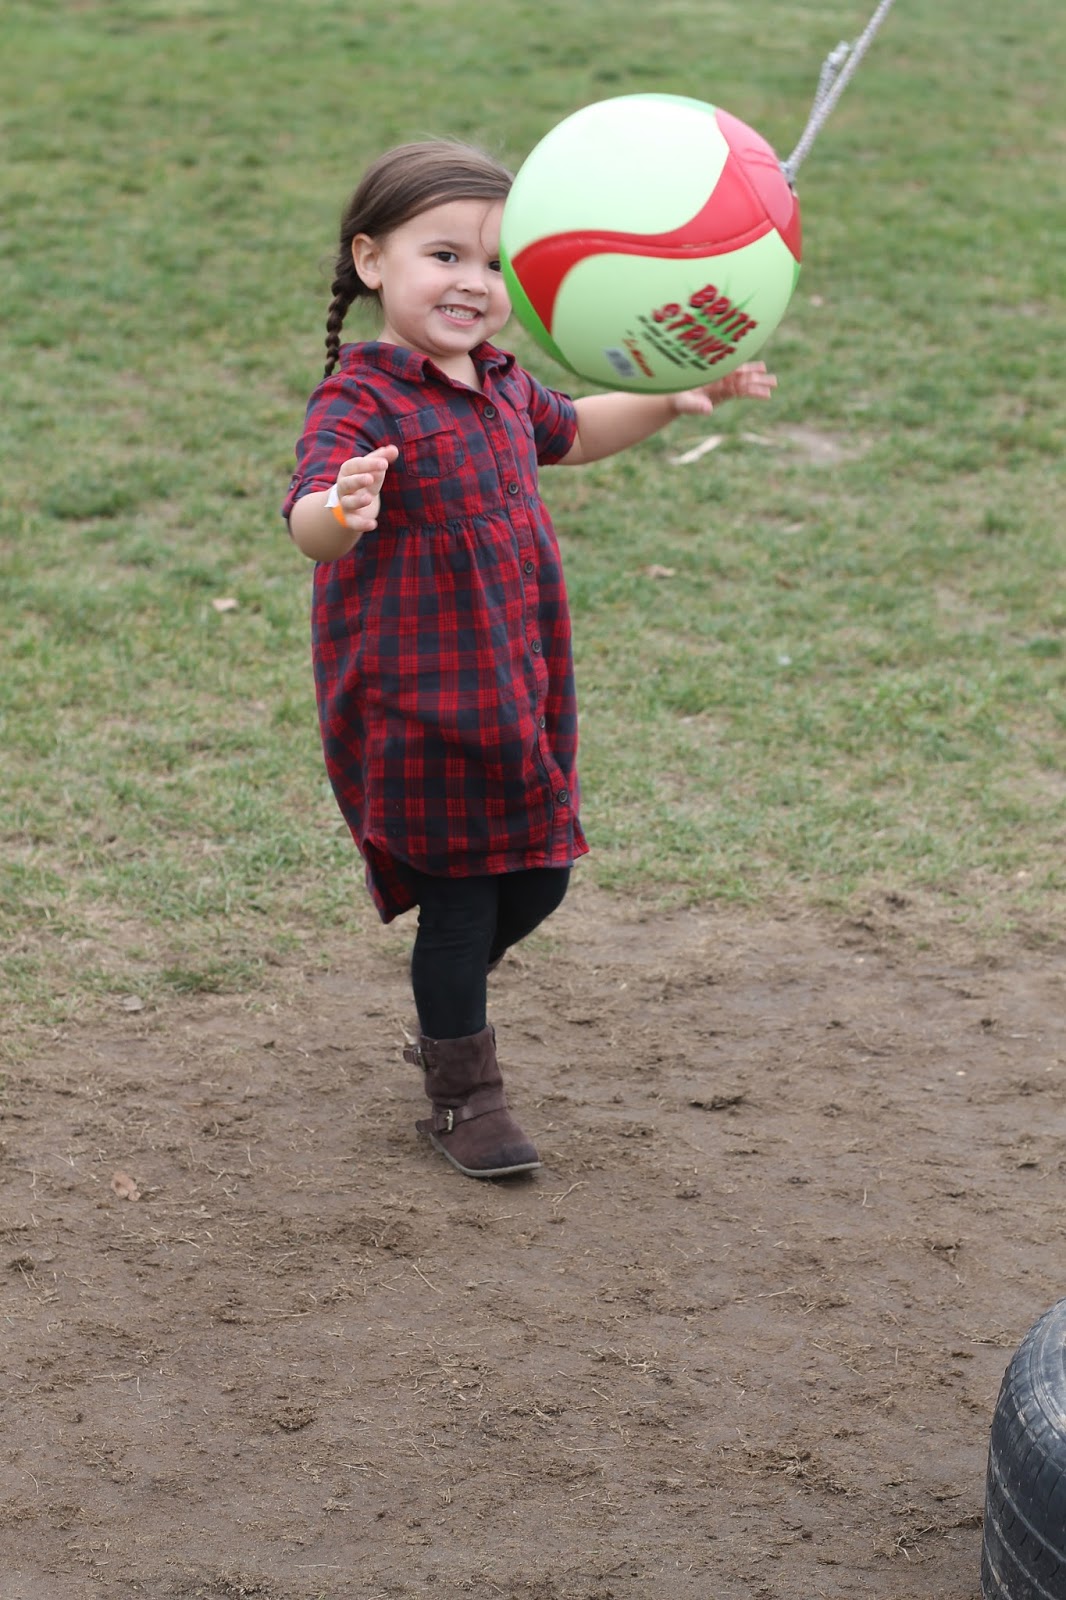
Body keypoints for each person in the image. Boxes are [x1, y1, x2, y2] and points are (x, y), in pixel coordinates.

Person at [283, 139, 776, 1182]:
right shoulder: (362, 400)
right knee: (464, 898)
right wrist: (342, 507)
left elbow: (578, 432)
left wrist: (677, 395)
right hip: (416, 697)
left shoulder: (501, 381)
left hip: (511, 682)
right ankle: (465, 1095)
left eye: (498, 264)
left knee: (541, 875)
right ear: (371, 260)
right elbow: (307, 522)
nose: (474, 283)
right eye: (445, 256)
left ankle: (446, 1000)